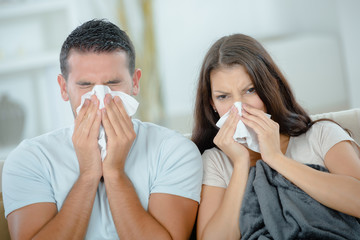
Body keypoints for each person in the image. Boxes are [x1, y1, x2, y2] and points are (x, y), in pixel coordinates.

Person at [2, 19, 202, 240]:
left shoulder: (174, 151)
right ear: (63, 88)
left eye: (113, 82)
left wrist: (115, 172)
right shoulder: (30, 159)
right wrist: (88, 174)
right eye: (85, 85)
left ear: (135, 83)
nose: (100, 99)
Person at [192, 33, 360, 239]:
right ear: (212, 104)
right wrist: (240, 164)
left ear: (270, 87)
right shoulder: (215, 161)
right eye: (223, 96)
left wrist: (276, 159)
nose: (239, 107)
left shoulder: (321, 135)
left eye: (250, 90)